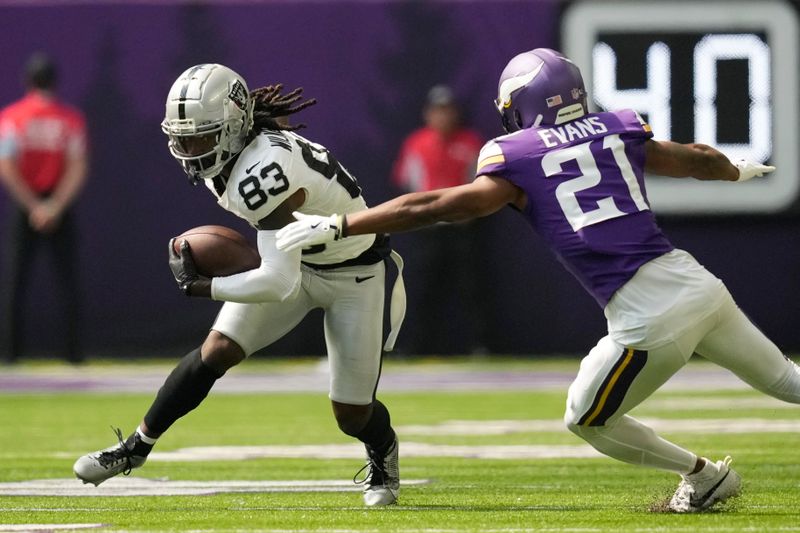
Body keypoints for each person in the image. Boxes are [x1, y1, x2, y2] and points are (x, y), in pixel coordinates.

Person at [275, 48, 800, 513]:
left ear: (519, 104)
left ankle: (705, 477)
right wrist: (735, 168)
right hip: (697, 282)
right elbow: (695, 160)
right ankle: (707, 478)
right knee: (785, 382)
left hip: (649, 314)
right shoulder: (618, 127)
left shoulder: (517, 156)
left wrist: (345, 222)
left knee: (587, 420)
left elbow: (434, 204)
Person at [73, 64, 405, 507]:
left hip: (353, 271)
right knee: (216, 350)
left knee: (351, 412)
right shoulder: (236, 153)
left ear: (232, 128)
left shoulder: (262, 170)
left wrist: (203, 287)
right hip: (298, 255)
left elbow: (277, 280)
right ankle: (135, 448)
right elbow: (283, 268)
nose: (190, 149)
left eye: (201, 136)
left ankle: (383, 451)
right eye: (183, 137)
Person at [0, 52, 88, 364]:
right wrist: (54, 206)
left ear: (28, 82)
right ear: (54, 81)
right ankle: (74, 355)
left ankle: (10, 355)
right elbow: (77, 167)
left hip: (28, 204)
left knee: (15, 284)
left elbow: (7, 166)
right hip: (56, 205)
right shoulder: (68, 119)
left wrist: (33, 206)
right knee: (68, 283)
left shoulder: (12, 117)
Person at [391, 85, 486, 354]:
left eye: (447, 111)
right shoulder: (417, 143)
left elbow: (479, 182)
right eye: (438, 111)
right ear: (428, 114)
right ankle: (413, 347)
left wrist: (469, 212)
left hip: (461, 228)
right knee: (420, 291)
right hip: (427, 229)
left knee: (471, 289)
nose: (443, 117)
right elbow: (407, 182)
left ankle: (479, 346)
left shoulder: (470, 142)